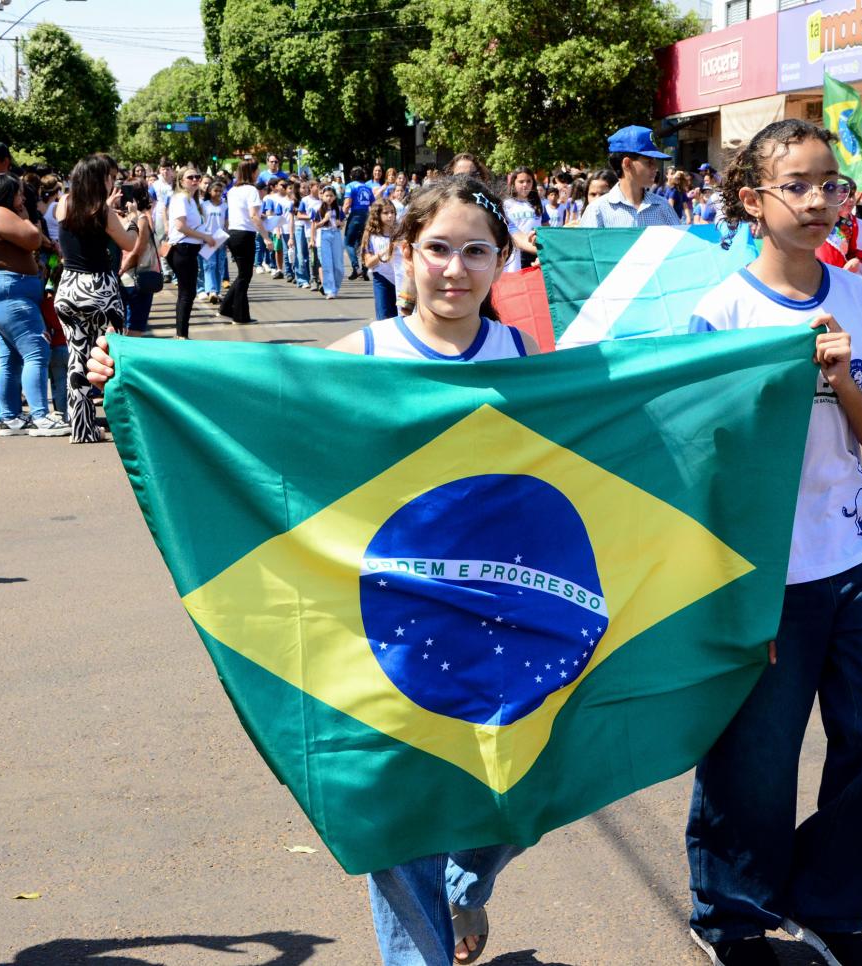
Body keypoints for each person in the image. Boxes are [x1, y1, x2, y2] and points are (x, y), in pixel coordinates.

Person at [85, 176, 537, 966]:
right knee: (396, 812)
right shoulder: (364, 354)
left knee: (515, 789)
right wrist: (138, 372)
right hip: (383, 620)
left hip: (497, 618)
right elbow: (257, 405)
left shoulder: (524, 358)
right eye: (437, 248)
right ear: (403, 254)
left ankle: (467, 883)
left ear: (501, 260)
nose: (455, 269)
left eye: (476, 251)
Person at [686, 118, 862, 966]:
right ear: (753, 200)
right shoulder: (721, 313)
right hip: (760, 570)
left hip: (851, 558)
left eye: (832, 185)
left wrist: (842, 380)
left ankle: (830, 908)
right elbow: (704, 457)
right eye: (798, 185)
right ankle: (733, 916)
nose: (819, 201)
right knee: (756, 753)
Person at [0, 174, 69, 437]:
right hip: (10, 292)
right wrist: (25, 216)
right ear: (6, 193)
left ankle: (10, 417)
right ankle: (40, 417)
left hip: (4, 290)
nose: (23, 198)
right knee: (36, 351)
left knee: (10, 357)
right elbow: (33, 238)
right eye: (19, 193)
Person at [54, 157, 136, 441]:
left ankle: (82, 428)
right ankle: (124, 422)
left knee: (77, 357)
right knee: (112, 355)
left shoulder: (64, 203)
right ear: (100, 179)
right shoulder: (103, 212)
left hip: (69, 288)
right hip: (100, 289)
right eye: (109, 177)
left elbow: (79, 225)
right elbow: (129, 243)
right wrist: (133, 221)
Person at [580, 126, 682, 227]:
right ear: (627, 164)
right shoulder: (597, 210)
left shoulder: (663, 207)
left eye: (655, 162)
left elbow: (681, 238)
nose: (655, 168)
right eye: (649, 162)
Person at [164, 166, 217, 341]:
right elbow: (180, 226)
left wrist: (206, 236)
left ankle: (181, 333)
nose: (195, 180)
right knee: (186, 293)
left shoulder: (193, 200)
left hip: (190, 249)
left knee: (188, 293)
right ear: (181, 181)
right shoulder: (181, 198)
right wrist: (205, 237)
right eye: (190, 177)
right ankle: (181, 334)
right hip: (182, 249)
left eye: (197, 177)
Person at [220, 159, 266, 325]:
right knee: (245, 276)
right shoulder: (251, 190)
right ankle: (238, 315)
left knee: (243, 275)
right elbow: (253, 215)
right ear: (251, 172)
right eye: (257, 170)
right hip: (245, 234)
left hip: (233, 233)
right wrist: (266, 236)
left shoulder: (233, 190)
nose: (258, 173)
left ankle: (229, 309)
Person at [118, 188, 159, 335]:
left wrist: (120, 270)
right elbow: (137, 250)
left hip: (125, 278)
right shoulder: (140, 219)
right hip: (133, 278)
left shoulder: (116, 218)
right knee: (134, 327)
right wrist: (122, 269)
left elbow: (136, 250)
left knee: (125, 326)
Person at [361, 198, 402, 319]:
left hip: (401, 280)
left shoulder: (401, 233)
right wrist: (385, 251)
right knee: (384, 318)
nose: (390, 216)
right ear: (377, 215)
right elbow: (368, 263)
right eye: (386, 213)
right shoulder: (371, 235)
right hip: (382, 279)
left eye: (392, 212)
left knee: (401, 317)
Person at [502, 167, 542, 270]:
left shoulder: (537, 203)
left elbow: (546, 226)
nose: (525, 185)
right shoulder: (506, 205)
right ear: (513, 183)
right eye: (521, 181)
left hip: (537, 253)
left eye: (529, 181)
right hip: (516, 255)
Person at [344, 165, 376, 281]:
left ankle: (356, 267)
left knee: (348, 243)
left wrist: (341, 216)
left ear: (352, 175)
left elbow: (347, 203)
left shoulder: (350, 186)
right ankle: (365, 270)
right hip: (366, 216)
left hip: (355, 215)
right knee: (363, 243)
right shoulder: (367, 187)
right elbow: (373, 204)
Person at [198, 179, 228, 303]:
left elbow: (226, 222)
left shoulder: (225, 206)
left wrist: (227, 237)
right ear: (210, 191)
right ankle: (211, 290)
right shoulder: (204, 205)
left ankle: (218, 291)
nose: (218, 193)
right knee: (209, 265)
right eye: (216, 190)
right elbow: (200, 221)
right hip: (207, 238)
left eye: (220, 191)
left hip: (220, 238)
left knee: (219, 266)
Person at [314, 184, 346, 299]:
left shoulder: (339, 209)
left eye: (331, 196)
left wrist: (340, 223)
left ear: (335, 197)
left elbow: (343, 223)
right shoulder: (319, 209)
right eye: (327, 195)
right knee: (327, 264)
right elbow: (315, 225)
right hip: (324, 235)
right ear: (322, 196)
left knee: (338, 266)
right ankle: (329, 290)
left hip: (336, 234)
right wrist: (324, 220)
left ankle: (335, 288)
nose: (329, 198)